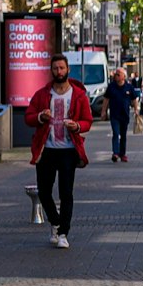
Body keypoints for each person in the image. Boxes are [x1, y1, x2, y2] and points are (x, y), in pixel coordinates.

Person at [26, 52, 92, 248]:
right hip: (46, 150)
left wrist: (77, 126)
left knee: (66, 193)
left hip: (68, 150)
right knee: (44, 192)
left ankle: (63, 233)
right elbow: (28, 117)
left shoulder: (78, 95)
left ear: (68, 70)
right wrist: (40, 116)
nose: (59, 71)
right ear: (51, 71)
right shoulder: (42, 94)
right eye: (55, 68)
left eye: (62, 68)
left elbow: (87, 121)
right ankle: (55, 222)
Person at [100, 68, 137, 163]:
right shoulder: (111, 87)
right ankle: (115, 153)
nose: (116, 76)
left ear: (124, 76)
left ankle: (123, 154)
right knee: (116, 133)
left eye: (118, 74)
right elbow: (106, 99)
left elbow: (134, 99)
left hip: (125, 115)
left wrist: (136, 110)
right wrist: (103, 111)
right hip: (114, 115)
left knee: (123, 135)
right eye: (116, 74)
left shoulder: (129, 87)